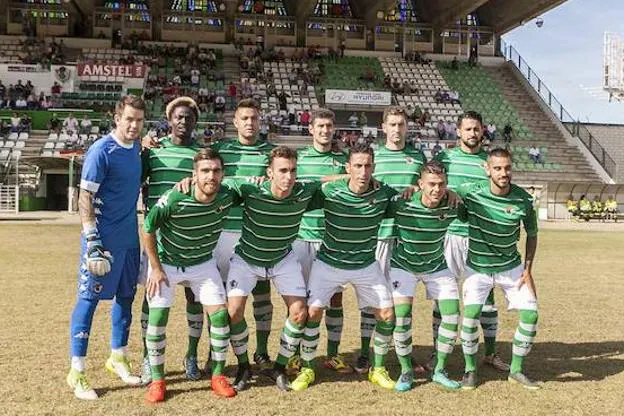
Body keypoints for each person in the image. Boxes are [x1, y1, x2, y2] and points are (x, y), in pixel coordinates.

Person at [291, 144, 397, 392]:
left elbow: (410, 198)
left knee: (387, 316)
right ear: (347, 168)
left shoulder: (383, 193)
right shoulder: (330, 191)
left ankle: (378, 368)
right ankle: (307, 368)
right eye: (357, 166)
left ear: (374, 168)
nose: (363, 171)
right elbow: (296, 195)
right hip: (329, 263)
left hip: (365, 265)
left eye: (367, 166)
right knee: (313, 313)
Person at [226, 146, 326, 392]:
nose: (288, 176)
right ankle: (243, 366)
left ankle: (279, 367)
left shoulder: (303, 191)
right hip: (247, 258)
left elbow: (328, 180)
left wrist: (360, 178)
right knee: (234, 312)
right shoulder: (251, 189)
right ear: (270, 172)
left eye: (293, 170)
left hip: (282, 259)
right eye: (282, 170)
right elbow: (221, 182)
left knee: (300, 312)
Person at [66, 95, 146, 400]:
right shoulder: (102, 150)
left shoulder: (138, 147)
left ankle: (118, 357)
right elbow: (84, 196)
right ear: (117, 118)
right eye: (129, 119)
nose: (134, 125)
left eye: (139, 121)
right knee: (88, 300)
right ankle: (77, 370)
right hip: (102, 242)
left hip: (129, 239)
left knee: (126, 298)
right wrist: (92, 240)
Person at [142, 149, 238, 403]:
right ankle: (158, 381)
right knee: (158, 318)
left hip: (202, 263)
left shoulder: (228, 195)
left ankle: (217, 376)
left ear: (223, 174)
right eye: (205, 171)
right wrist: (156, 267)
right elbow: (148, 228)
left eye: (216, 171)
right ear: (194, 175)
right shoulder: (175, 197)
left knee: (219, 315)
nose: (211, 176)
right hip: (168, 264)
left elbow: (252, 186)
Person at [457, 148, 540, 390]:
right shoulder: (470, 193)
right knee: (470, 318)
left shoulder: (524, 199)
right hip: (478, 268)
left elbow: (532, 234)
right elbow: (455, 203)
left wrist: (528, 268)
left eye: (507, 168)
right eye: (498, 168)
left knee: (531, 314)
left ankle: (516, 370)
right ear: (487, 169)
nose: (503, 173)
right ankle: (470, 370)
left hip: (511, 268)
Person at [139, 97, 207, 383]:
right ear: (169, 120)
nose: (183, 121)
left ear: (195, 122)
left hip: (191, 238)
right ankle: (147, 357)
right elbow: (137, 180)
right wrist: (141, 146)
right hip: (158, 239)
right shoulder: (153, 151)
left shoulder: (201, 155)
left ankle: (191, 355)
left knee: (195, 298)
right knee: (151, 299)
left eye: (188, 117)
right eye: (178, 117)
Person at [434, 111, 506, 372]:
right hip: (451, 234)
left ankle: (491, 352)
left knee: (487, 296)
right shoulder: (444, 158)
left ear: (482, 131)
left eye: (476, 129)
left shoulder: (490, 162)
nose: (472, 134)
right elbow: (432, 184)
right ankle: (437, 352)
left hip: (481, 237)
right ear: (458, 131)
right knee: (443, 295)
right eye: (468, 129)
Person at [211, 99, 276, 379]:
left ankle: (261, 351)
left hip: (256, 233)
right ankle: (218, 354)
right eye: (244, 118)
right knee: (221, 299)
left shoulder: (270, 153)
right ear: (235, 122)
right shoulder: (221, 150)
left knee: (262, 295)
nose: (250, 123)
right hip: (223, 231)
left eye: (254, 118)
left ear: (260, 122)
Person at [357, 106, 425, 374]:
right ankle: (365, 352)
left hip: (407, 237)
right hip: (378, 236)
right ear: (383, 128)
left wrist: (417, 187)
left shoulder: (417, 157)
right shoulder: (374, 158)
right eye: (392, 125)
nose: (397, 130)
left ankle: (403, 353)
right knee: (372, 297)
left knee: (402, 300)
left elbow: (425, 187)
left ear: (407, 127)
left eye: (401, 125)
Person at [389, 161, 461, 392]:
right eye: (431, 184)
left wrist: (455, 193)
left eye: (441, 184)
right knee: (401, 317)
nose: (436, 190)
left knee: (452, 316)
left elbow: (472, 211)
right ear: (420, 184)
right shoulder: (402, 203)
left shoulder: (452, 204)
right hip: (403, 265)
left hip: (436, 266)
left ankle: (439, 369)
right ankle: (406, 371)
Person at [290, 109, 350, 375]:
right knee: (299, 301)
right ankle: (294, 354)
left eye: (329, 126)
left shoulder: (344, 160)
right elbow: (300, 185)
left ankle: (333, 355)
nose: (325, 131)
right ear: (311, 129)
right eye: (320, 126)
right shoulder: (300, 159)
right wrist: (332, 180)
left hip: (333, 239)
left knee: (334, 298)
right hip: (302, 237)